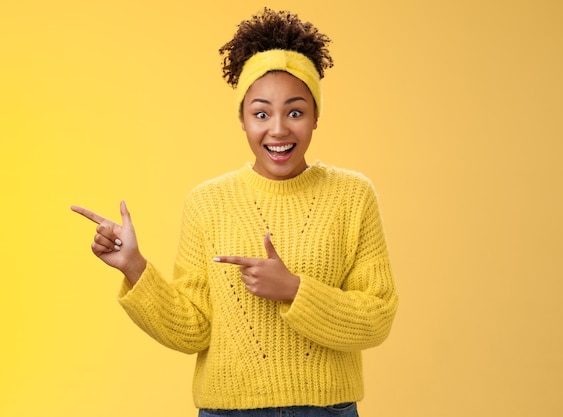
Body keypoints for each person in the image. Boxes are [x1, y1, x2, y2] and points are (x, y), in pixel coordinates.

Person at [72, 8, 398, 417]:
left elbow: (377, 316)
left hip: (325, 409)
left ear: (316, 116)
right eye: (261, 113)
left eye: (295, 112)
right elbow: (193, 329)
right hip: (229, 412)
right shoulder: (207, 202)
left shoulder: (353, 196)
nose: (278, 129)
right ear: (242, 120)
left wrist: (294, 290)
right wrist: (134, 266)